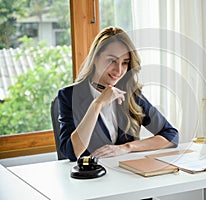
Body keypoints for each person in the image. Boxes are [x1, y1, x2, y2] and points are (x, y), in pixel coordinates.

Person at [57, 27, 179, 161]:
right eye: (112, 61)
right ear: (95, 58)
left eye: (125, 63)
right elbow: (71, 153)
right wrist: (97, 104)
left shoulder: (130, 93)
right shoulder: (69, 96)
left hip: (126, 174)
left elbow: (171, 136)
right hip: (91, 176)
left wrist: (127, 147)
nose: (119, 70)